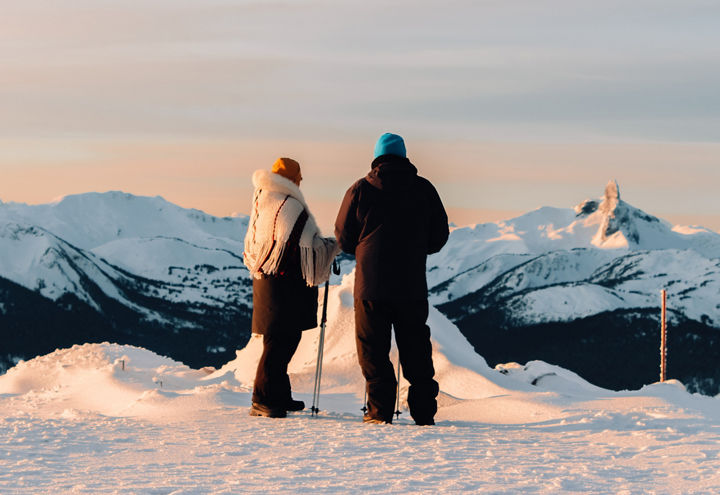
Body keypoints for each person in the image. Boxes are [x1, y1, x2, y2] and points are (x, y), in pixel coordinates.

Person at [334, 133, 449, 425]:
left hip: (370, 285)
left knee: (373, 349)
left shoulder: (360, 189)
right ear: (404, 157)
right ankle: (423, 413)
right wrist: (418, 247)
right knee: (416, 349)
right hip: (411, 285)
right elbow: (439, 236)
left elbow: (344, 238)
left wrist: (363, 248)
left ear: (377, 157)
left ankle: (379, 411)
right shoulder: (424, 189)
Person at [243, 157, 339, 418]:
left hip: (268, 281)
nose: (301, 181)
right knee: (279, 343)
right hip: (282, 284)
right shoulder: (288, 204)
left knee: (283, 339)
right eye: (299, 177)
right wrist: (332, 246)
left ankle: (279, 395)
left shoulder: (263, 199)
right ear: (293, 178)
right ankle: (261, 400)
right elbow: (309, 243)